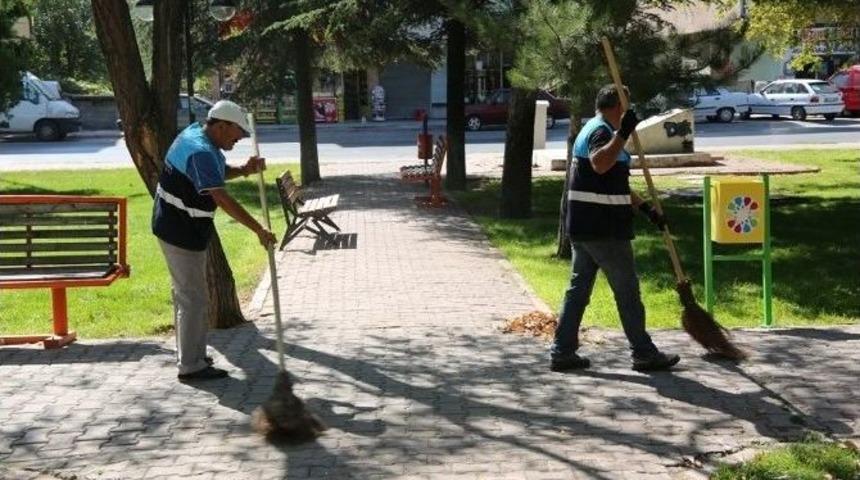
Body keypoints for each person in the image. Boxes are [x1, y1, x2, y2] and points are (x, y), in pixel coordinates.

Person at [550, 84, 680, 373]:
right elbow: (599, 164)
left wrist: (646, 209)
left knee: (578, 291)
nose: (629, 111)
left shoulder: (595, 129)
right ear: (618, 107)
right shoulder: (602, 132)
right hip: (603, 228)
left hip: (585, 227)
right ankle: (644, 353)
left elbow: (614, 183)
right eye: (627, 105)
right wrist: (622, 133)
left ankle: (562, 351)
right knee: (627, 291)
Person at [152, 100, 276, 381]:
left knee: (188, 297)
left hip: (179, 225)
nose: (239, 139)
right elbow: (220, 196)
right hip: (179, 230)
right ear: (221, 126)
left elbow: (212, 174)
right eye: (237, 134)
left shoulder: (200, 137)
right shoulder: (200, 150)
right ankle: (191, 365)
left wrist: (244, 169)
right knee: (193, 299)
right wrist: (258, 229)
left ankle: (190, 354)